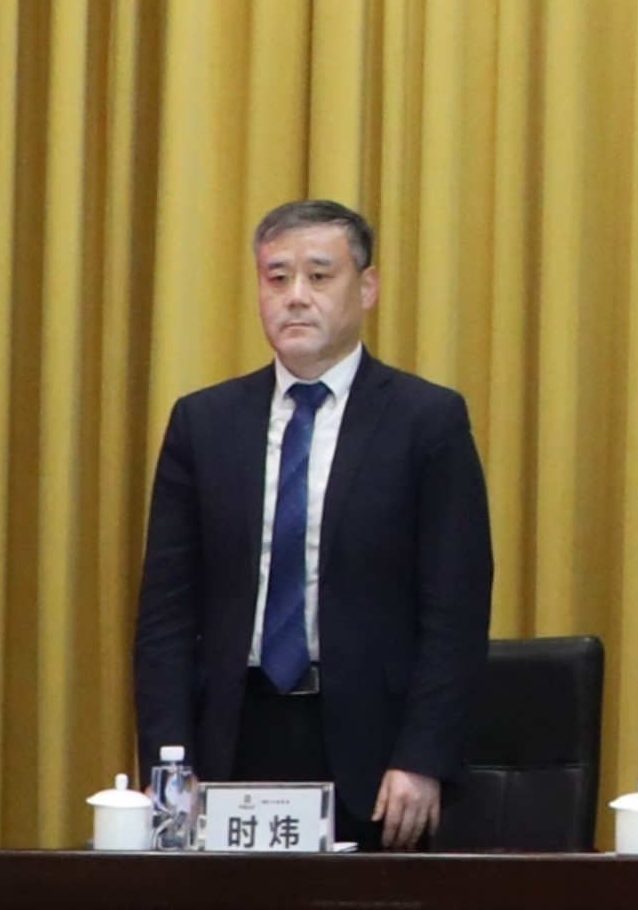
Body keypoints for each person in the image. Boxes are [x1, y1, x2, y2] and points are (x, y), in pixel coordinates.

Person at [130, 198, 494, 849]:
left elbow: (455, 610)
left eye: (319, 275)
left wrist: (423, 757)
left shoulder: (426, 421)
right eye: (277, 277)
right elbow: (166, 612)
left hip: (374, 752)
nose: (295, 296)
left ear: (367, 287)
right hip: (231, 738)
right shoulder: (204, 423)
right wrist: (168, 766)